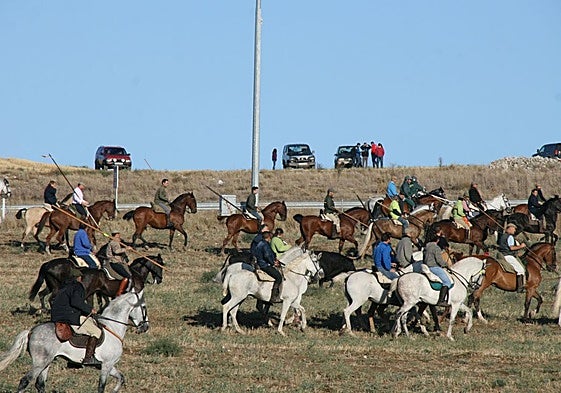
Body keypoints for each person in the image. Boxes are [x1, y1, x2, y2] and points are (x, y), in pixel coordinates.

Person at [51, 268, 102, 365]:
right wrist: (89, 309)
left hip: (56, 316)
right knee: (96, 331)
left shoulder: (63, 286)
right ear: (79, 277)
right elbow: (76, 302)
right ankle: (88, 358)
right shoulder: (77, 286)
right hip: (69, 316)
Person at [254, 231, 283, 303]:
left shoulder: (259, 243)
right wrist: (273, 263)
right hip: (264, 265)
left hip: (259, 263)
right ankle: (274, 297)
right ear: (269, 237)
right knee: (279, 277)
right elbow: (267, 255)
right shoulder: (265, 245)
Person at [497, 223, 526, 293]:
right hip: (508, 255)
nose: (514, 230)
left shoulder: (502, 236)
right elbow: (512, 248)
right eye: (514, 229)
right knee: (521, 270)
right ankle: (520, 288)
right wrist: (521, 246)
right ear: (509, 228)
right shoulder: (510, 237)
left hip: (502, 255)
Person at [423, 236, 452, 306]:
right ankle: (441, 300)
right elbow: (439, 261)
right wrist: (446, 265)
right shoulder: (436, 248)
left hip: (426, 266)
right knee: (447, 282)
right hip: (434, 267)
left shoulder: (427, 246)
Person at [105, 231, 132, 296]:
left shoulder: (116, 242)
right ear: (115, 236)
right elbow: (116, 251)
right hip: (114, 262)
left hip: (118, 261)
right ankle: (120, 292)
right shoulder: (113, 243)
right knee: (127, 276)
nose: (119, 237)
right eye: (118, 236)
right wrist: (126, 249)